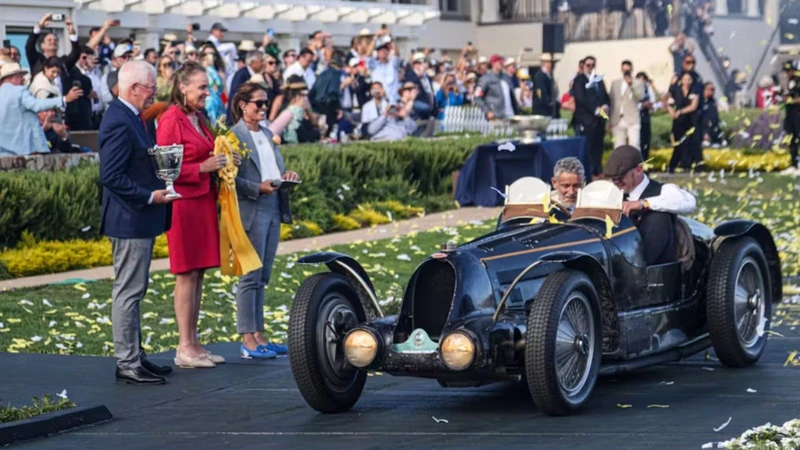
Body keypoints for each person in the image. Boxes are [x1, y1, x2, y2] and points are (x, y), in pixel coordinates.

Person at [156, 61, 239, 368]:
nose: (207, 92)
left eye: (207, 86)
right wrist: (200, 169)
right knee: (186, 274)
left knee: (199, 273)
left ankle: (193, 342)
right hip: (183, 203)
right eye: (202, 87)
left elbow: (210, 151)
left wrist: (228, 158)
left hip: (203, 201)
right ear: (183, 87)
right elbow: (164, 168)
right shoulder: (170, 119)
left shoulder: (199, 118)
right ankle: (184, 346)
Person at [99, 60, 176, 385]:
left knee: (134, 290)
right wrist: (149, 197)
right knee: (129, 292)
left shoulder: (134, 118)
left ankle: (135, 356)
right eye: (151, 88)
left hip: (137, 219)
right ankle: (128, 362)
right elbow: (111, 176)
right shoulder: (119, 120)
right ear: (134, 88)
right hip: (129, 219)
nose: (154, 94)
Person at [230, 82, 297, 359]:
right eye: (258, 103)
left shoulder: (267, 133)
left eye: (265, 102)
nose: (264, 107)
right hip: (251, 208)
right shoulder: (234, 136)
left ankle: (259, 335)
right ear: (243, 105)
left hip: (272, 204)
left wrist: (287, 176)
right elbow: (229, 179)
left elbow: (272, 168)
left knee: (263, 276)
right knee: (250, 275)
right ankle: (248, 338)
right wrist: (257, 187)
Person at [604, 145, 697, 266]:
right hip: (618, 266)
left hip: (655, 271)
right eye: (613, 179)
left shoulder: (663, 190)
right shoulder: (613, 195)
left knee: (659, 216)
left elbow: (689, 203)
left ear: (639, 169)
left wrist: (644, 204)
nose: (616, 182)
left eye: (621, 177)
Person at [0, 62, 81, 156]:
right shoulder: (19, 91)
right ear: (13, 77)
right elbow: (36, 105)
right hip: (25, 148)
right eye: (21, 76)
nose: (23, 79)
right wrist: (64, 99)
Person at [571, 55, 609, 178]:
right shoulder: (579, 80)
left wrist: (606, 106)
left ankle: (598, 170)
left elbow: (605, 96)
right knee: (588, 148)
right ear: (583, 66)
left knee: (598, 146)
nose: (590, 67)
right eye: (588, 65)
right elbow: (581, 99)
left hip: (599, 121)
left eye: (592, 65)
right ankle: (590, 172)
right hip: (586, 120)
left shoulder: (598, 79)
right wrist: (596, 109)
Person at [665, 72, 700, 172]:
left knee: (690, 143)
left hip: (689, 120)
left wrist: (680, 111)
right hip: (678, 122)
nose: (687, 81)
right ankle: (672, 166)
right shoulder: (676, 90)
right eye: (685, 79)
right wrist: (673, 113)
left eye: (689, 79)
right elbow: (669, 103)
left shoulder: (694, 91)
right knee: (678, 144)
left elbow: (693, 106)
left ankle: (688, 165)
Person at [609, 60, 645, 150]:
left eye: (628, 70)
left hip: (632, 118)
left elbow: (640, 97)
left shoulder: (638, 83)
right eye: (624, 70)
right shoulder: (615, 83)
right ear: (621, 70)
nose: (626, 73)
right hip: (617, 119)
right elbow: (611, 101)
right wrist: (609, 119)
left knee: (635, 145)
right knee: (618, 146)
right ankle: (620, 164)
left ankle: (636, 164)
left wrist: (631, 85)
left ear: (632, 70)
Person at [475, 54, 518, 121]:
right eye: (499, 62)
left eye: (502, 62)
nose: (502, 64)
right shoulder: (485, 79)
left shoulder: (506, 78)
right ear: (493, 64)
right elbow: (478, 97)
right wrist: (487, 111)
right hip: (496, 116)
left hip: (510, 114)